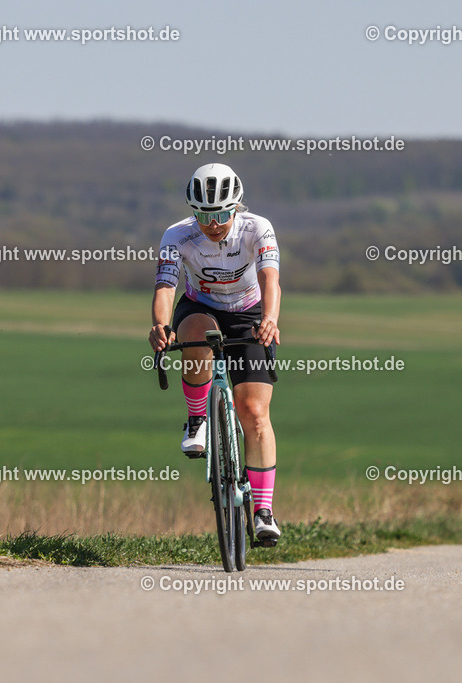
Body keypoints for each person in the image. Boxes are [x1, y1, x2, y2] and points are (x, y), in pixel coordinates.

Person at [148, 163, 282, 543]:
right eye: (204, 215)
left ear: (236, 207)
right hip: (200, 307)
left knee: (254, 412)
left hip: (248, 313)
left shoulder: (258, 228)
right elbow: (166, 286)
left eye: (222, 213)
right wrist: (161, 326)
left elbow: (270, 278)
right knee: (193, 332)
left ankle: (263, 510)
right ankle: (196, 421)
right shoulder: (177, 236)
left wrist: (270, 319)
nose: (213, 223)